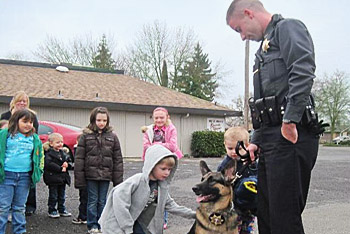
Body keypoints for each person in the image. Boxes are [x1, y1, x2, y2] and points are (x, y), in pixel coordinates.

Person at [226, 1, 321, 233]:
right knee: (266, 213)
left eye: (239, 29)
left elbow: (303, 70)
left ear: (249, 13)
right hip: (270, 137)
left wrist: (290, 120)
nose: (242, 37)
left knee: (284, 218)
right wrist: (256, 137)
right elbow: (263, 99)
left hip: (291, 133)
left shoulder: (288, 28)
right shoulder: (263, 50)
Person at [99, 144, 196, 234]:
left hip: (137, 223)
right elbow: (119, 201)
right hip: (117, 225)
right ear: (152, 166)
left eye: (169, 169)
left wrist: (195, 214)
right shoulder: (137, 180)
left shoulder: (161, 187)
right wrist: (127, 227)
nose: (167, 173)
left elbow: (172, 206)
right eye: (163, 169)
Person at [74, 107, 123, 234]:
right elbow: (79, 158)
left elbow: (117, 159)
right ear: (93, 120)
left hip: (105, 175)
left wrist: (118, 180)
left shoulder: (112, 137)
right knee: (92, 200)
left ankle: (102, 223)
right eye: (99, 120)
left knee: (103, 201)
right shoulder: (86, 136)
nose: (101, 123)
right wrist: (79, 178)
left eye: (104, 120)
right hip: (91, 175)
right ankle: (92, 225)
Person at [0, 109, 44, 234]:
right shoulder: (5, 135)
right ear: (16, 121)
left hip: (25, 176)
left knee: (19, 208)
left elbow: (39, 156)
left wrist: (39, 171)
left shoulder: (34, 138)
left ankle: (19, 231)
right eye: (25, 121)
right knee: (3, 207)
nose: (28, 125)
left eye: (31, 122)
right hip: (6, 176)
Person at [141, 107, 183, 229]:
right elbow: (146, 147)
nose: (159, 120)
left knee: (163, 191)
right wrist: (159, 146)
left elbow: (173, 146)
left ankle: (162, 219)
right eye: (156, 118)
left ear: (167, 117)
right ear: (153, 118)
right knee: (149, 192)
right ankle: (148, 218)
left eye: (161, 117)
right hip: (152, 164)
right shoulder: (148, 130)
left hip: (166, 164)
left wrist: (156, 145)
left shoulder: (171, 129)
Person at [0, 91, 39, 216]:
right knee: (5, 199)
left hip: (25, 164)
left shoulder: (32, 116)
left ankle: (29, 206)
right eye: (20, 100)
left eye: (25, 101)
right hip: (9, 166)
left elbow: (34, 135)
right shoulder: (5, 115)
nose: (22, 103)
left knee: (25, 190)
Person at [217, 126, 257, 234]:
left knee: (247, 228)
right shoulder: (224, 166)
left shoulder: (251, 163)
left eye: (238, 148)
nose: (234, 152)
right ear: (225, 145)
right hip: (233, 207)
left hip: (249, 206)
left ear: (247, 146)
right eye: (230, 148)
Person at [43, 133, 72, 218]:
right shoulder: (48, 153)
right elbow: (48, 164)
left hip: (62, 178)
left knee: (62, 195)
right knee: (53, 195)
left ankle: (61, 209)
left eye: (61, 142)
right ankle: (52, 209)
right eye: (58, 142)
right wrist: (59, 168)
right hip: (53, 178)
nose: (60, 144)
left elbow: (69, 160)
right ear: (51, 143)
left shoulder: (63, 152)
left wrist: (67, 164)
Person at [72, 134, 88, 225]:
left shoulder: (78, 151)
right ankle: (84, 216)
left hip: (83, 178)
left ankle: (83, 216)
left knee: (84, 198)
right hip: (86, 178)